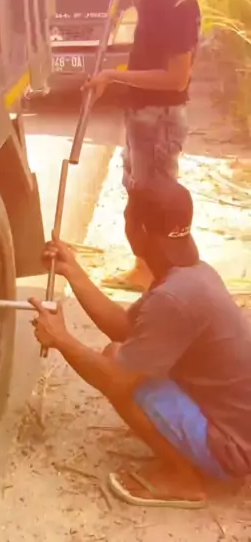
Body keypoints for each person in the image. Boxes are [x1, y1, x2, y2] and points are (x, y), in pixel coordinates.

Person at [30, 178, 251, 508]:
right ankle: (185, 451)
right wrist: (73, 271)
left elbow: (113, 381)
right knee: (120, 355)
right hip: (239, 429)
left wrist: (61, 339)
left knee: (125, 377)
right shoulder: (192, 273)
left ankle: (183, 480)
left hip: (232, 449)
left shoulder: (174, 298)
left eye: (127, 217)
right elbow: (125, 328)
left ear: (142, 230)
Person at [85, 0, 201, 292]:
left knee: (154, 199)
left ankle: (156, 272)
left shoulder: (177, 0)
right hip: (144, 115)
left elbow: (176, 78)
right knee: (138, 191)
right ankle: (145, 266)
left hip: (159, 118)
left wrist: (114, 76)